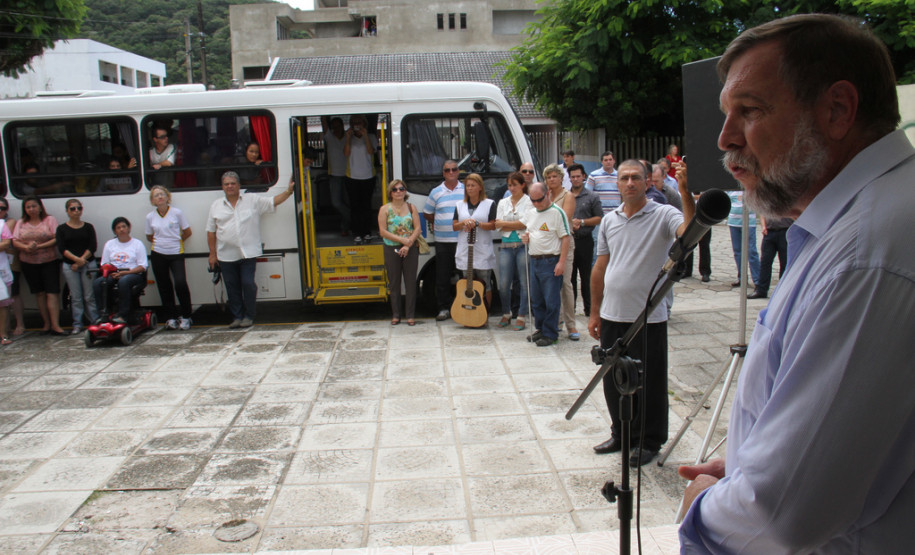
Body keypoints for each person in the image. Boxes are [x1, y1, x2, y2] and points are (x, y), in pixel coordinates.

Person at [678, 14, 915, 552]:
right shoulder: (856, 225)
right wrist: (746, 461)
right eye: (726, 114)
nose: (725, 138)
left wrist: (704, 509)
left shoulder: (866, 255)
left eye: (750, 111)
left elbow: (779, 516)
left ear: (837, 110)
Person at [589, 159, 695, 467]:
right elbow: (600, 267)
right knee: (613, 378)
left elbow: (689, 235)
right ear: (617, 183)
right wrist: (594, 312)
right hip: (612, 314)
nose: (630, 183)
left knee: (649, 381)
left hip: (648, 316)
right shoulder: (610, 220)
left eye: (636, 177)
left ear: (648, 181)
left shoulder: (663, 214)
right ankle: (622, 434)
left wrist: (685, 193)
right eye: (624, 178)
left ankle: (649, 440)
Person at [206, 171, 296, 328]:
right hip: (226, 255)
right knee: (232, 287)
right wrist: (212, 254)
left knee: (248, 284)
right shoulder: (215, 206)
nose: (230, 186)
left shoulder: (252, 200)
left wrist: (289, 191)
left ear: (239, 186)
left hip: (248, 253)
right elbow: (211, 232)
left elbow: (273, 201)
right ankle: (237, 317)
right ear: (222, 187)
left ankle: (249, 315)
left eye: (233, 183)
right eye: (226, 184)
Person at [521, 182, 569, 347]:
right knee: (537, 300)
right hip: (534, 259)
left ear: (547, 194)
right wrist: (525, 238)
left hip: (550, 260)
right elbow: (530, 232)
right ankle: (541, 328)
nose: (536, 204)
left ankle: (551, 333)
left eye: (539, 200)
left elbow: (566, 237)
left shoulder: (557, 212)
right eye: (533, 200)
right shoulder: (531, 212)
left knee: (551, 300)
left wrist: (561, 262)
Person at [12, 196, 65, 335]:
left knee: (52, 293)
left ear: (40, 207)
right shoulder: (21, 223)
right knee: (39, 293)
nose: (31, 209)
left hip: (49, 261)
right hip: (28, 262)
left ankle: (56, 325)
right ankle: (46, 324)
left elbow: (56, 238)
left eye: (34, 206)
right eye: (28, 207)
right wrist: (26, 247)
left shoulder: (49, 220)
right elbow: (15, 240)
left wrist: (39, 246)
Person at [145, 185, 193, 330]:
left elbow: (188, 232)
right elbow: (149, 236)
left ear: (167, 197)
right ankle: (171, 317)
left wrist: (175, 241)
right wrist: (162, 242)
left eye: (162, 194)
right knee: (164, 286)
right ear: (153, 201)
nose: (159, 197)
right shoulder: (150, 217)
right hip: (158, 253)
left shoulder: (176, 213)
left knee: (180, 283)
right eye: (156, 196)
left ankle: (186, 316)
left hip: (176, 253)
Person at [423, 160, 464, 321]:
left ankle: (463, 306)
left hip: (462, 240)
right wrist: (441, 222)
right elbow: (428, 213)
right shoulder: (436, 192)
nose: (451, 172)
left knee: (464, 275)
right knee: (442, 276)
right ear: (443, 173)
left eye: (454, 169)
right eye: (447, 170)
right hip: (442, 241)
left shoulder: (466, 189)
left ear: (458, 171)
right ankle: (443, 308)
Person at [377, 179, 421, 326]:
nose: (398, 192)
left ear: (405, 191)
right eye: (395, 190)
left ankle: (410, 315)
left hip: (410, 249)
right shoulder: (384, 209)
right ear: (390, 192)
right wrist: (403, 241)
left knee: (410, 283)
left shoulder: (411, 207)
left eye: (401, 189)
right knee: (394, 283)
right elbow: (383, 231)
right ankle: (396, 315)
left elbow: (417, 229)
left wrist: (408, 244)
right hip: (391, 248)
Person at [452, 173, 497, 312]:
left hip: (482, 249)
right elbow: (454, 226)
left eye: (473, 185)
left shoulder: (489, 204)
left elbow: (493, 225)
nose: (470, 188)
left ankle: (485, 312)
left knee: (485, 282)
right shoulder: (460, 205)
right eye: (468, 186)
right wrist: (464, 223)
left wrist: (478, 223)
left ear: (480, 187)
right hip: (466, 250)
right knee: (467, 283)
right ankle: (468, 313)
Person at [544, 163, 579, 340]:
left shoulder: (568, 196)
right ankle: (555, 321)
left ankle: (571, 325)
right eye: (548, 177)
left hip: (565, 241)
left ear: (560, 178)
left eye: (554, 176)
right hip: (548, 243)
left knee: (566, 284)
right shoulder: (545, 195)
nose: (551, 179)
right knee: (551, 286)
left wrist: (547, 207)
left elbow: (563, 218)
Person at [494, 171, 532, 330]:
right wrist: (517, 223)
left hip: (523, 245)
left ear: (522, 185)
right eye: (510, 185)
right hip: (506, 246)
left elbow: (527, 223)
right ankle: (506, 312)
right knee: (503, 283)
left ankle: (522, 315)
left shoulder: (529, 201)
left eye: (515, 185)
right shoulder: (503, 202)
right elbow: (497, 224)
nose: (512, 188)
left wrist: (507, 223)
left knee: (524, 283)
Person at [93, 217, 148, 325]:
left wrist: (125, 273)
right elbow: (105, 264)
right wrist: (112, 272)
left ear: (129, 228)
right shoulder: (110, 244)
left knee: (124, 281)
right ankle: (103, 314)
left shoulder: (137, 244)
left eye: (124, 226)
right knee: (98, 283)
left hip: (133, 274)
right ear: (115, 231)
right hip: (114, 273)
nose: (121, 229)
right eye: (118, 228)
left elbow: (142, 266)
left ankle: (123, 315)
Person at [55, 199, 99, 334]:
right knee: (76, 297)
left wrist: (81, 260)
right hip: (70, 266)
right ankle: (77, 324)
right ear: (67, 211)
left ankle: (95, 321)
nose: (76, 211)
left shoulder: (88, 227)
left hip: (87, 264)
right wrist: (75, 260)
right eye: (72, 209)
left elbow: (93, 246)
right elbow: (62, 248)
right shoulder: (61, 229)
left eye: (78, 208)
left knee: (89, 296)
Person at [568, 164, 602, 318]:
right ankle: (571, 308)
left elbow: (598, 218)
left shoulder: (592, 196)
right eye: (572, 176)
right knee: (570, 277)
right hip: (568, 241)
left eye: (578, 176)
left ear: (584, 177)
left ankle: (589, 309)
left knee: (586, 276)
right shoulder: (565, 196)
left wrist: (581, 222)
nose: (575, 179)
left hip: (584, 240)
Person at [344, 114, 378, 244]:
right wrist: (348, 138)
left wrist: (365, 136)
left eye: (359, 122)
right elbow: (346, 153)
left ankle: (367, 232)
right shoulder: (349, 137)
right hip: (352, 176)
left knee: (366, 206)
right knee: (355, 206)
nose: (357, 125)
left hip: (368, 175)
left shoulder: (371, 137)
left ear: (364, 124)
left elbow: (371, 151)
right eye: (354, 122)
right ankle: (356, 233)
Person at [748, 215, 793, 299]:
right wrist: (763, 226)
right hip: (769, 231)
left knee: (785, 262)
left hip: (785, 231)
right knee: (765, 262)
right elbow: (762, 213)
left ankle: (783, 290)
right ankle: (761, 290)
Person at [726, 189, 760, 287]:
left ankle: (757, 280)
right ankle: (742, 278)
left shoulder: (750, 188)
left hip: (749, 223)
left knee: (751, 251)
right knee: (737, 252)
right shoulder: (731, 190)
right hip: (733, 222)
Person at [1, 201, 25, 337]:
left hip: (9, 264)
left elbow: (5, 242)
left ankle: (19, 323)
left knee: (13, 293)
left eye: (2, 208)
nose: (0, 210)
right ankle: (4, 328)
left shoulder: (9, 222)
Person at [323, 117, 350, 236]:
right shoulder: (329, 137)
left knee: (348, 202)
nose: (336, 129)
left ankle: (345, 228)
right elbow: (323, 122)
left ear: (342, 126)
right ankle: (353, 217)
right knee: (336, 203)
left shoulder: (348, 137)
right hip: (334, 176)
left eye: (338, 126)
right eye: (333, 127)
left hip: (349, 174)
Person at [0, 203, 14, 345]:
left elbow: (5, 244)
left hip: (1, 269)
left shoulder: (1, 225)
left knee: (3, 304)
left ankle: (3, 334)